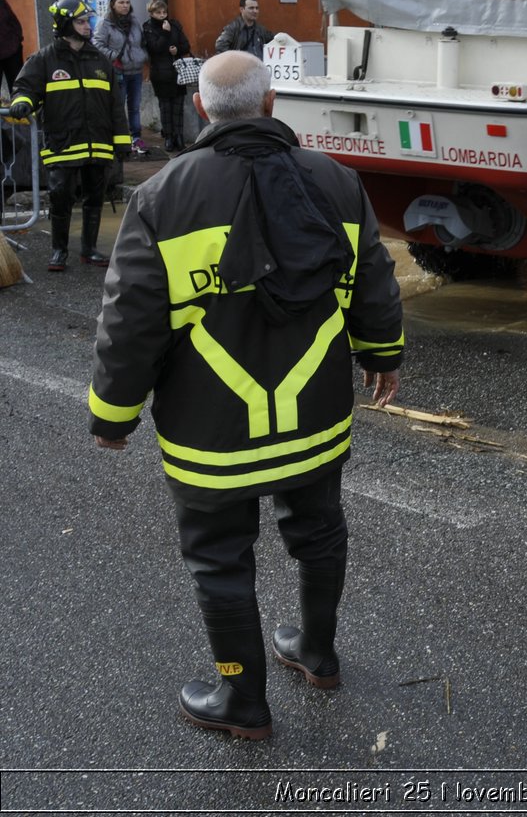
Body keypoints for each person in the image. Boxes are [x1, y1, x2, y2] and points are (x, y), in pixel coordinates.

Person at [87, 51, 404, 740]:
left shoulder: (164, 197)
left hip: (212, 432)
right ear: (271, 103)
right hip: (316, 418)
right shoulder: (337, 182)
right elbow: (373, 279)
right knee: (319, 530)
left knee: (219, 557)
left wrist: (112, 415)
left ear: (201, 109)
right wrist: (383, 354)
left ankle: (242, 699)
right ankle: (317, 654)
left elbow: (132, 321)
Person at [7, 0, 128, 271]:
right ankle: (59, 251)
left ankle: (89, 249)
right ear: (65, 24)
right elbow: (25, 87)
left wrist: (121, 140)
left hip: (97, 144)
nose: (88, 27)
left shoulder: (99, 60)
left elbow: (115, 104)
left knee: (95, 197)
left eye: (88, 21)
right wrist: (22, 102)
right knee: (61, 196)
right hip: (63, 143)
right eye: (82, 22)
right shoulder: (44, 59)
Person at [92, 0, 150, 156]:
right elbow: (97, 43)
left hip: (136, 70)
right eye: (121, 3)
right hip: (118, 70)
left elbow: (141, 42)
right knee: (118, 105)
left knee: (135, 106)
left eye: (127, 2)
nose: (125, 6)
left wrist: (143, 55)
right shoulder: (106, 22)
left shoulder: (133, 21)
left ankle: (136, 137)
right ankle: (119, 137)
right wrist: (114, 56)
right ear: (113, 5)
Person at [142, 0, 193, 153]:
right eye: (158, 13)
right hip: (160, 73)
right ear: (151, 13)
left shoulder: (175, 25)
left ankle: (179, 136)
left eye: (164, 12)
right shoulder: (148, 28)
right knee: (165, 107)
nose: (162, 15)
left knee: (178, 106)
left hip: (177, 72)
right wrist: (165, 33)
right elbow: (155, 48)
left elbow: (186, 45)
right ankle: (169, 137)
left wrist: (176, 49)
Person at [0, 0, 24, 94]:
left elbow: (13, 21)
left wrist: (18, 40)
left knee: (17, 87)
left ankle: (18, 107)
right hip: (11, 47)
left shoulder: (0, 0)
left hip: (12, 50)